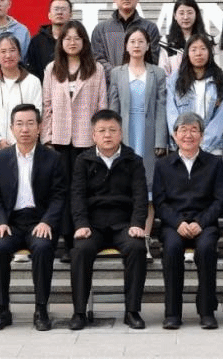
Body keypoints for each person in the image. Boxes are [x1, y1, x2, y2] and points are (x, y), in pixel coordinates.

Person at [0, 104, 67, 332]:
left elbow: (59, 195)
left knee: (42, 247)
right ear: (11, 128)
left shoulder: (53, 158)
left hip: (39, 220)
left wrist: (47, 221)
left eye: (30, 123)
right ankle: (2, 310)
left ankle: (41, 309)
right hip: (10, 222)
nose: (25, 129)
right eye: (19, 124)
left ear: (39, 127)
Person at [68, 109, 149, 330]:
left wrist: (137, 224)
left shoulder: (133, 160)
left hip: (124, 224)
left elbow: (140, 197)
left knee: (137, 248)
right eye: (102, 130)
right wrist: (81, 224)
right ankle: (79, 312)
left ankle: (132, 311)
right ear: (93, 135)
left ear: (121, 133)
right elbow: (77, 196)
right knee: (80, 250)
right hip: (93, 225)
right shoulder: (83, 161)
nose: (107, 135)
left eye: (112, 130)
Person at [152, 112, 223, 330]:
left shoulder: (214, 163)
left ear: (202, 136)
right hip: (174, 224)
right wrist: (178, 223)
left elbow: (219, 200)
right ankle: (172, 312)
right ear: (174, 135)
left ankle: (207, 311)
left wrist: (201, 222)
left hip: (204, 223)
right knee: (172, 248)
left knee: (206, 249)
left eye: (194, 130)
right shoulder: (163, 165)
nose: (188, 135)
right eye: (183, 130)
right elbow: (159, 202)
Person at [42, 20, 108, 260]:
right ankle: (67, 240)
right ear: (61, 42)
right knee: (63, 190)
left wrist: (100, 138)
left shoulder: (96, 69)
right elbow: (47, 105)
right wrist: (47, 137)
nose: (72, 42)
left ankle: (85, 239)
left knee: (83, 190)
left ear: (84, 42)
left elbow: (102, 105)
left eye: (77, 38)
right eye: (67, 38)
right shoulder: (52, 69)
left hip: (86, 140)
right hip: (60, 140)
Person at [108, 26, 168, 259]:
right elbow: (113, 107)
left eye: (140, 41)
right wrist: (112, 137)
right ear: (126, 45)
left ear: (147, 45)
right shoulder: (117, 73)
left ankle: (145, 239)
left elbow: (162, 107)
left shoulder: (157, 73)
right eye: (132, 41)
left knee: (148, 189)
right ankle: (129, 238)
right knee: (126, 186)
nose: (136, 45)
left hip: (149, 135)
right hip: (125, 134)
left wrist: (161, 138)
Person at [0, 33, 44, 220]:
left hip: (24, 148)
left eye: (12, 50)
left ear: (20, 54)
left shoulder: (33, 81)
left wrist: (19, 141)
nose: (8, 55)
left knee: (20, 194)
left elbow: (37, 112)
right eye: (3, 51)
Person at [166, 34, 223, 157]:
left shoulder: (218, 78)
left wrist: (203, 144)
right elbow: (171, 112)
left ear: (209, 52)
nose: (198, 53)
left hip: (211, 148)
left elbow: (220, 115)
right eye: (193, 49)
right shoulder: (176, 79)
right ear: (187, 53)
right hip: (182, 146)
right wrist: (184, 140)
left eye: (203, 49)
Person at [91, 0, 161, 74]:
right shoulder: (101, 29)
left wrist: (135, 74)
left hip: (140, 80)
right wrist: (116, 74)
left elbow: (154, 59)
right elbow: (98, 59)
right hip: (110, 81)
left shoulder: (150, 28)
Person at [25, 0, 73, 81]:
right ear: (49, 15)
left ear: (70, 15)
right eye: (56, 9)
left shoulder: (77, 40)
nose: (59, 12)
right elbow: (31, 71)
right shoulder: (37, 41)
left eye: (63, 9)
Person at [159, 0, 209, 75]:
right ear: (175, 16)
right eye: (181, 13)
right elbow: (163, 72)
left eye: (190, 13)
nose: (185, 17)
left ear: (196, 14)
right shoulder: (166, 42)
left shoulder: (207, 40)